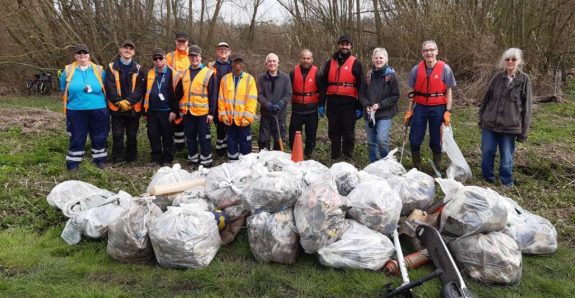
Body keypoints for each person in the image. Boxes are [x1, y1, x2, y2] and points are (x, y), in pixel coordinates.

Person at [479, 48, 532, 187]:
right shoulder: (496, 78)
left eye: (513, 59)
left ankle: (506, 181)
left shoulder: (524, 80)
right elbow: (486, 100)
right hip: (490, 124)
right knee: (487, 152)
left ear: (519, 61)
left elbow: (527, 109)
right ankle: (487, 178)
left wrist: (523, 133)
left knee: (507, 156)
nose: (510, 62)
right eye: (507, 59)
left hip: (510, 127)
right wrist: (482, 119)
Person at [405, 40, 456, 171]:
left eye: (431, 50)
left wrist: (448, 111)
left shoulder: (445, 69)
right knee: (415, 139)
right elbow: (412, 92)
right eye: (426, 50)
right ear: (422, 53)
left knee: (436, 140)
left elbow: (449, 91)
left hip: (438, 107)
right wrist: (409, 110)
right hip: (420, 106)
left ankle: (437, 167)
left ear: (436, 51)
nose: (429, 53)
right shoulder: (416, 70)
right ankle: (417, 167)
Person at [60, 44, 108, 170]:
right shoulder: (68, 70)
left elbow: (105, 87)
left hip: (98, 108)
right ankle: (73, 163)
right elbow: (63, 88)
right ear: (75, 56)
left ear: (89, 55)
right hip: (76, 109)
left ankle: (100, 160)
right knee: (76, 136)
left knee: (99, 135)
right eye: (79, 53)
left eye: (85, 53)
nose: (82, 56)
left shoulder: (99, 70)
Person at [321, 34, 364, 160]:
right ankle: (334, 156)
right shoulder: (330, 62)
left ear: (351, 47)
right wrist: (321, 103)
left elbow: (360, 87)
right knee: (334, 131)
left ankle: (347, 157)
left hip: (349, 103)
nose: (344, 46)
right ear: (338, 45)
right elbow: (324, 83)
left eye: (347, 44)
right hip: (333, 102)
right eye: (342, 44)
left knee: (348, 132)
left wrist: (359, 106)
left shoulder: (356, 63)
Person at [104, 40, 146, 163]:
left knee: (132, 135)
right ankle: (118, 159)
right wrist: (119, 102)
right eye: (125, 48)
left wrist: (128, 102)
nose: (127, 50)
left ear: (134, 52)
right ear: (120, 50)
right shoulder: (112, 67)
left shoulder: (139, 69)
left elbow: (140, 89)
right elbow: (109, 87)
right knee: (117, 134)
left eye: (130, 49)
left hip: (133, 109)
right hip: (116, 109)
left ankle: (131, 158)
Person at [142, 48, 183, 166]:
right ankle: (155, 158)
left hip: (167, 111)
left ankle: (167, 159)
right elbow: (145, 91)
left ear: (165, 59)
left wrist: (175, 111)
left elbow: (179, 95)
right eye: (155, 58)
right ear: (153, 61)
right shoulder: (150, 73)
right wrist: (145, 111)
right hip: (152, 111)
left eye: (161, 58)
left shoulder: (174, 74)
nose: (158, 60)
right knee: (153, 135)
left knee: (167, 136)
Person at [359, 48, 400, 163]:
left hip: (385, 114)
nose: (378, 60)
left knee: (382, 140)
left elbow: (395, 96)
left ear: (386, 59)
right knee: (371, 141)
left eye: (381, 58)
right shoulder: (368, 76)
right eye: (376, 58)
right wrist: (367, 105)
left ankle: (385, 162)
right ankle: (373, 163)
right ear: (372, 59)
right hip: (369, 114)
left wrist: (380, 105)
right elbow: (361, 94)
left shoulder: (391, 76)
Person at [179, 45, 217, 168]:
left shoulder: (209, 73)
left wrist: (211, 113)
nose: (194, 58)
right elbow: (180, 93)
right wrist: (179, 109)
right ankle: (193, 159)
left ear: (200, 57)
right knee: (190, 137)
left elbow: (213, 95)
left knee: (204, 137)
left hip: (203, 113)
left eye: (196, 56)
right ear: (189, 57)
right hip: (188, 112)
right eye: (192, 56)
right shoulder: (185, 73)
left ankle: (206, 161)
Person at [217, 53, 258, 162]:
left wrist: (247, 118)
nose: (237, 64)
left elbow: (252, 100)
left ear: (243, 64)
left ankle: (246, 165)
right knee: (231, 142)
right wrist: (223, 115)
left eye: (239, 62)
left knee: (245, 142)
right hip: (229, 120)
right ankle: (232, 163)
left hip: (243, 120)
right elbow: (221, 99)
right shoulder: (225, 79)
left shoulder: (250, 79)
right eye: (235, 62)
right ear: (231, 64)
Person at [289, 49, 323, 159]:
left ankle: (308, 155)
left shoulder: (317, 73)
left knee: (311, 136)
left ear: (312, 59)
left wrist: (321, 105)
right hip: (297, 110)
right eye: (304, 58)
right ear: (300, 59)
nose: (306, 60)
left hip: (312, 110)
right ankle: (295, 154)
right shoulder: (293, 73)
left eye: (308, 58)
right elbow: (288, 90)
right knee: (293, 135)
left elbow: (322, 90)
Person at [257, 53, 293, 151]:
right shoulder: (261, 78)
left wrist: (280, 104)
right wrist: (267, 105)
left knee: (279, 139)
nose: (272, 63)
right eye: (269, 61)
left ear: (278, 63)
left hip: (279, 115)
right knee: (263, 140)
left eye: (274, 61)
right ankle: (263, 161)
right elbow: (259, 95)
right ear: (266, 64)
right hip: (266, 115)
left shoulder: (285, 78)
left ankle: (277, 162)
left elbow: (288, 93)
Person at [166, 32, 191, 150]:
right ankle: (178, 147)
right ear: (175, 42)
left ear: (187, 42)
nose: (181, 43)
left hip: (189, 92)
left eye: (183, 41)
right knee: (175, 118)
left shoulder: (193, 54)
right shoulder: (169, 56)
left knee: (188, 118)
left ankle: (189, 145)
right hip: (173, 91)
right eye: (179, 41)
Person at [208, 42, 233, 157]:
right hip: (215, 99)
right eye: (220, 49)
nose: (223, 51)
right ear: (217, 51)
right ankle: (220, 147)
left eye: (225, 49)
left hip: (230, 100)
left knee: (230, 124)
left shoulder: (234, 65)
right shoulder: (210, 66)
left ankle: (229, 146)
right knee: (219, 124)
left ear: (229, 51)